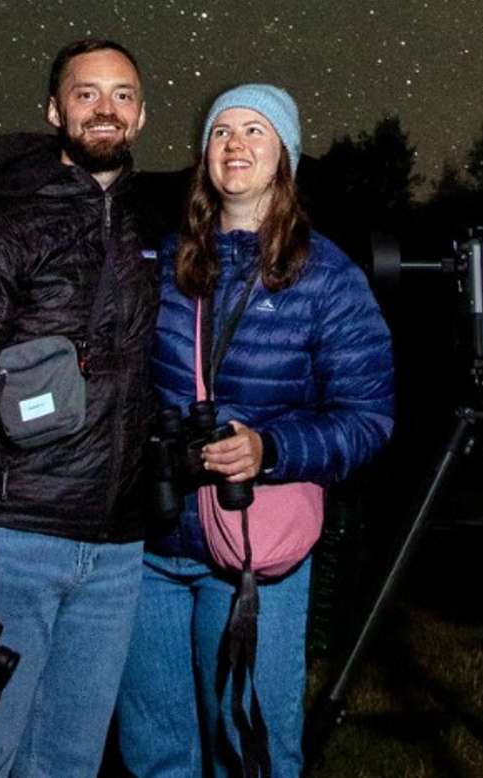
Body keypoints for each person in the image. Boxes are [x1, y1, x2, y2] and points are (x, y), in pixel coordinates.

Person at [116, 83, 395, 778]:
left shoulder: (327, 276)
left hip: (249, 553)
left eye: (254, 131)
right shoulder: (165, 262)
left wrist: (270, 449)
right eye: (220, 132)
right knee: (155, 754)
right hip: (149, 545)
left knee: (252, 753)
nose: (234, 144)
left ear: (286, 157)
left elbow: (369, 418)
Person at [0, 37, 159, 778]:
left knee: (67, 764)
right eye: (85, 94)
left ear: (142, 115)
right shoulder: (4, 226)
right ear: (54, 111)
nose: (104, 109)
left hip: (117, 554)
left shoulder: (146, 229)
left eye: (121, 94)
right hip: (17, 541)